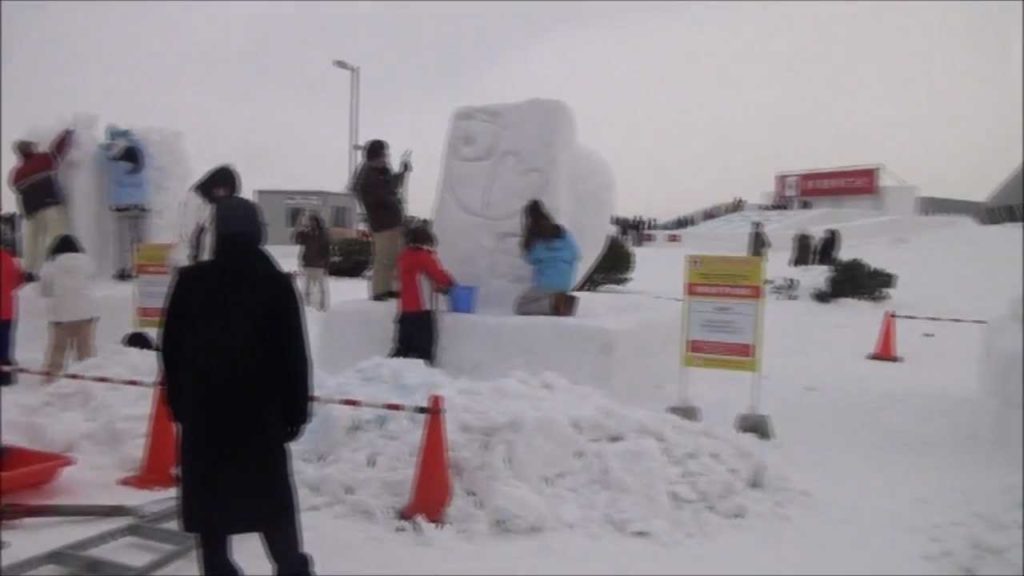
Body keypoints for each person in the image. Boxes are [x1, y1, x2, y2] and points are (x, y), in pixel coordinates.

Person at [161, 195, 313, 576]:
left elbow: (171, 351)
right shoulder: (275, 284)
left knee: (210, 508)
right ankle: (291, 567)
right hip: (260, 419)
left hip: (205, 418)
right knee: (272, 505)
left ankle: (218, 569)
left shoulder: (192, 282)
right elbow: (293, 353)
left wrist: (180, 405)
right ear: (257, 232)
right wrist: (296, 411)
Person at [8, 129, 74, 280]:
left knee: (33, 242)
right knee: (58, 235)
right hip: (50, 204)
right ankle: (63, 267)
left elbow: (15, 189)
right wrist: (66, 135)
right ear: (31, 148)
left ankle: (30, 272)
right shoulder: (44, 160)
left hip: (31, 212)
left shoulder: (17, 173)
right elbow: (58, 151)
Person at [350, 139, 411, 301]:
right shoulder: (367, 176)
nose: (386, 157)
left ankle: (392, 287)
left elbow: (391, 184)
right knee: (385, 258)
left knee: (397, 256)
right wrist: (392, 199)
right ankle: (380, 290)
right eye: (384, 154)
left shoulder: (381, 171)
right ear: (376, 156)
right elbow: (380, 194)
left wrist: (402, 173)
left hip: (393, 221)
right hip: (382, 223)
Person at [391, 223, 454, 366]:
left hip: (406, 309)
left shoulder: (404, 256)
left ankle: (394, 369)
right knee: (423, 346)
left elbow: (418, 280)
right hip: (421, 309)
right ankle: (423, 370)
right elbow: (438, 275)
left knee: (403, 346)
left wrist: (436, 288)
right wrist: (451, 283)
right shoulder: (423, 256)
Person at [39, 235, 98, 383]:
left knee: (58, 350)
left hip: (60, 315)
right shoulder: (87, 262)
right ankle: (87, 382)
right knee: (85, 350)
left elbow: (45, 291)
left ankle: (50, 382)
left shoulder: (50, 266)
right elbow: (91, 280)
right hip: (86, 312)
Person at [515, 200, 580, 317]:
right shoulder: (563, 233)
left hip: (546, 283)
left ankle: (554, 304)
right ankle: (560, 301)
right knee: (537, 298)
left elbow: (530, 259)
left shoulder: (536, 238)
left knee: (521, 305)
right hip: (566, 282)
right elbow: (576, 254)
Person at [101, 126, 150, 281]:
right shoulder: (140, 169)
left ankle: (124, 270)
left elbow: (105, 156)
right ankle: (142, 268)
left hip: (122, 209)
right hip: (141, 208)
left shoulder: (116, 168)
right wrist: (130, 137)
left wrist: (111, 141)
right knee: (140, 240)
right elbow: (141, 150)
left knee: (123, 241)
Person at [187, 164, 240, 265]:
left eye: (225, 190)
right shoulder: (199, 204)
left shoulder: (228, 208)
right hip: (203, 262)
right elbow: (192, 236)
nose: (221, 193)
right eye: (218, 189)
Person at [293, 212, 331, 312]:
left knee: (321, 288)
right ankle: (307, 306)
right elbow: (297, 240)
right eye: (310, 221)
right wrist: (299, 226)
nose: (312, 223)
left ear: (318, 222)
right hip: (308, 264)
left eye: (313, 221)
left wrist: (326, 265)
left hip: (319, 265)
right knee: (306, 287)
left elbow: (326, 251)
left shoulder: (323, 234)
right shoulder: (306, 234)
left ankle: (322, 306)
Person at [0, 247, 23, 386]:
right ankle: (5, 377)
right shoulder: (8, 258)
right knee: (4, 345)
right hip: (5, 310)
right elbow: (17, 280)